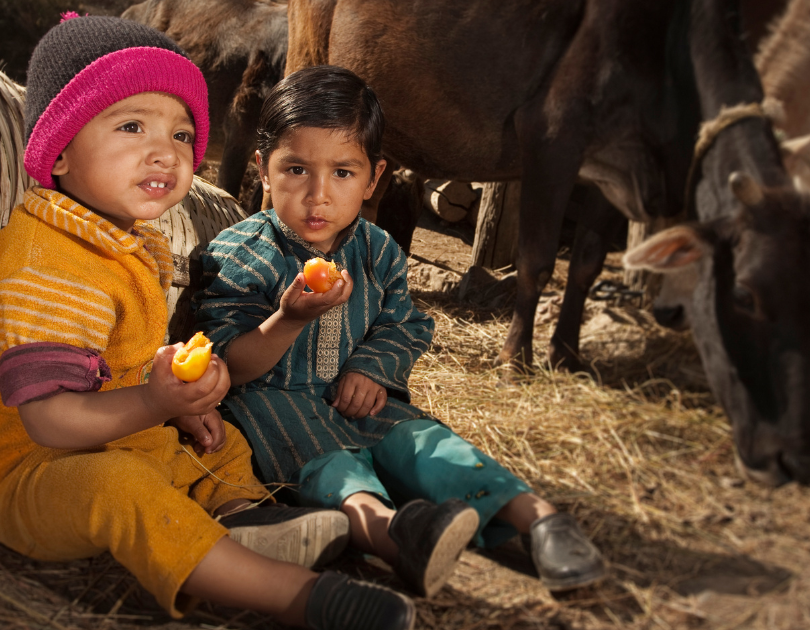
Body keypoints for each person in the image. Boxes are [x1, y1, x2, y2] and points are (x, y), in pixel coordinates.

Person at [0, 16, 416, 630]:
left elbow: (114, 357)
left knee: (221, 439)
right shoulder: (43, 266)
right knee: (118, 486)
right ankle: (295, 594)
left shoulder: (112, 242)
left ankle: (247, 518)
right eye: (131, 126)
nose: (164, 151)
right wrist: (153, 398)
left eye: (180, 133)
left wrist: (175, 399)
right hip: (40, 477)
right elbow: (50, 420)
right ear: (58, 150)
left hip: (129, 438)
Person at [194, 65, 607, 598]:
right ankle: (395, 537)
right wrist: (289, 319)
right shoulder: (236, 254)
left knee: (425, 442)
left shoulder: (377, 249)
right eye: (296, 169)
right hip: (277, 406)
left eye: (343, 173)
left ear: (374, 178)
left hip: (363, 402)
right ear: (264, 170)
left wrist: (371, 368)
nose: (319, 196)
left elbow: (403, 325)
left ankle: (540, 519)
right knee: (334, 470)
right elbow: (229, 363)